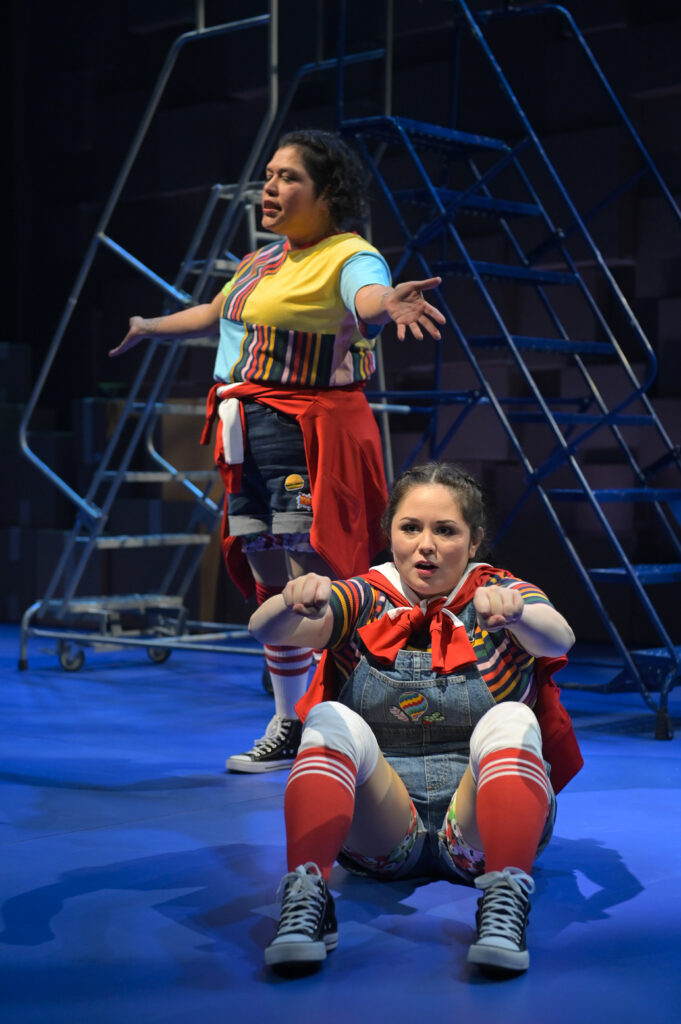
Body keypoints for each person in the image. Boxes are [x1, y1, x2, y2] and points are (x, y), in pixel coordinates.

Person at [109, 129, 446, 773]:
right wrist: (150, 326)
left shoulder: (351, 255)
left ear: (327, 194)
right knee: (267, 570)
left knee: (315, 578)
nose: (270, 187)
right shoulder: (262, 261)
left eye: (289, 177)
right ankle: (289, 721)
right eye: (268, 175)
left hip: (305, 431)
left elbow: (368, 300)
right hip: (248, 431)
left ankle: (348, 716)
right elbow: (214, 312)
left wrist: (387, 303)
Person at [249, 461, 582, 977]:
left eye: (445, 531)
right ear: (391, 535)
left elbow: (559, 637)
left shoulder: (498, 592)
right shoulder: (366, 594)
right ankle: (307, 895)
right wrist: (290, 603)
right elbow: (265, 630)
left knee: (513, 717)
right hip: (385, 836)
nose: (425, 546)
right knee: (329, 717)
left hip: (475, 838)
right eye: (411, 528)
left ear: (474, 542)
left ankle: (505, 899)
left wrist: (517, 614)